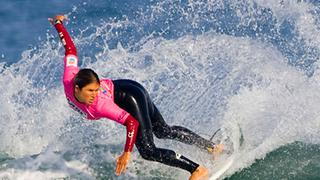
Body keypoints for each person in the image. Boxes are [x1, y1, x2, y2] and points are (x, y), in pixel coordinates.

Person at [49, 15, 223, 180]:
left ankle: (197, 170)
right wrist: (58, 23)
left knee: (148, 151)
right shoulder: (69, 77)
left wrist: (127, 152)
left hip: (129, 96)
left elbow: (131, 122)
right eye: (90, 92)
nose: (94, 95)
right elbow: (70, 49)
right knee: (163, 130)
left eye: (96, 90)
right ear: (77, 88)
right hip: (131, 87)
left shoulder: (100, 105)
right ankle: (212, 147)